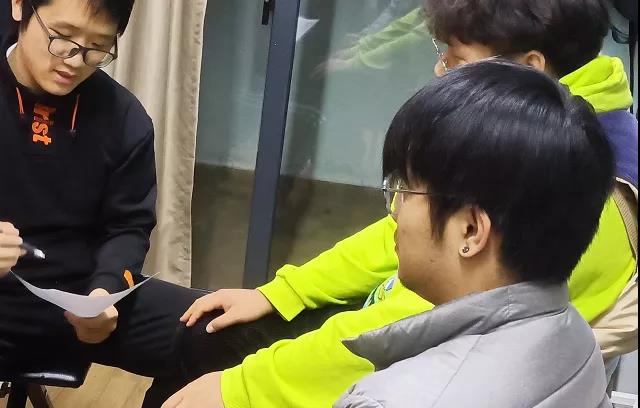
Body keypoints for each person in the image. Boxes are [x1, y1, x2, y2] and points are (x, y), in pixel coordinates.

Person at [169, 1, 637, 407]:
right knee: (204, 332)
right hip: (408, 325)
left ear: (531, 66)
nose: (440, 72)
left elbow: (411, 323)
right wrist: (284, 292)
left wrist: (245, 388)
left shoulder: (572, 180)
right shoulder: (559, 128)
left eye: (457, 60)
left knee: (203, 342)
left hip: (419, 358)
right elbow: (409, 229)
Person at [334, 59, 614, 408]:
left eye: (406, 189)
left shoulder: (388, 401)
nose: (396, 210)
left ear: (470, 231)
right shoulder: (577, 338)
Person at [1, 0, 232, 405]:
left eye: (98, 47)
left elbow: (127, 226)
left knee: (221, 334)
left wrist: (104, 292)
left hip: (81, 295)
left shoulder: (123, 116)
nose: (75, 60)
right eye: (62, 37)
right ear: (19, 5)